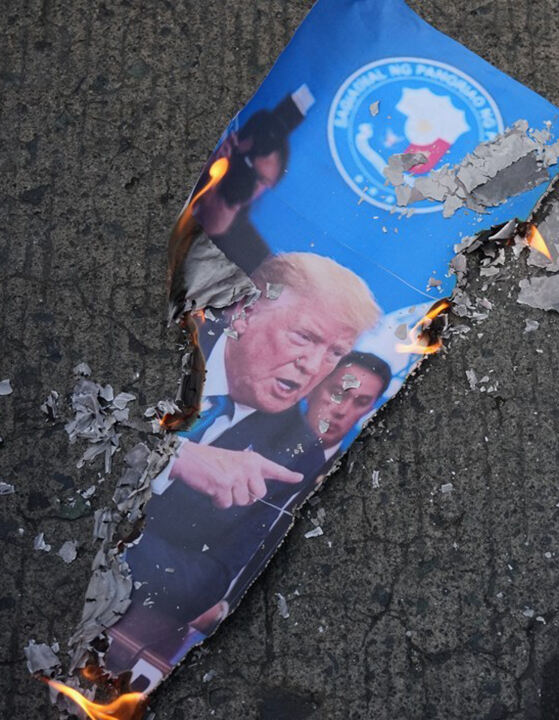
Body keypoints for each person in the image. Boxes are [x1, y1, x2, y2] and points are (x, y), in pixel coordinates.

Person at [119, 252, 380, 639]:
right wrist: (176, 458)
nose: (313, 366)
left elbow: (205, 585)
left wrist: (114, 549)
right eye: (304, 337)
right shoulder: (172, 334)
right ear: (243, 313)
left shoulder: (297, 451)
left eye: (335, 353)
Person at [192, 85, 314, 274]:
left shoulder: (256, 257)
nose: (247, 179)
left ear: (270, 186)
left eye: (261, 179)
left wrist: (217, 232)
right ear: (232, 144)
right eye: (246, 164)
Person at [304, 351, 392, 474]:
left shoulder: (351, 475)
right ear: (314, 386)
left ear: (370, 410)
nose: (342, 411)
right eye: (337, 394)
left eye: (361, 402)